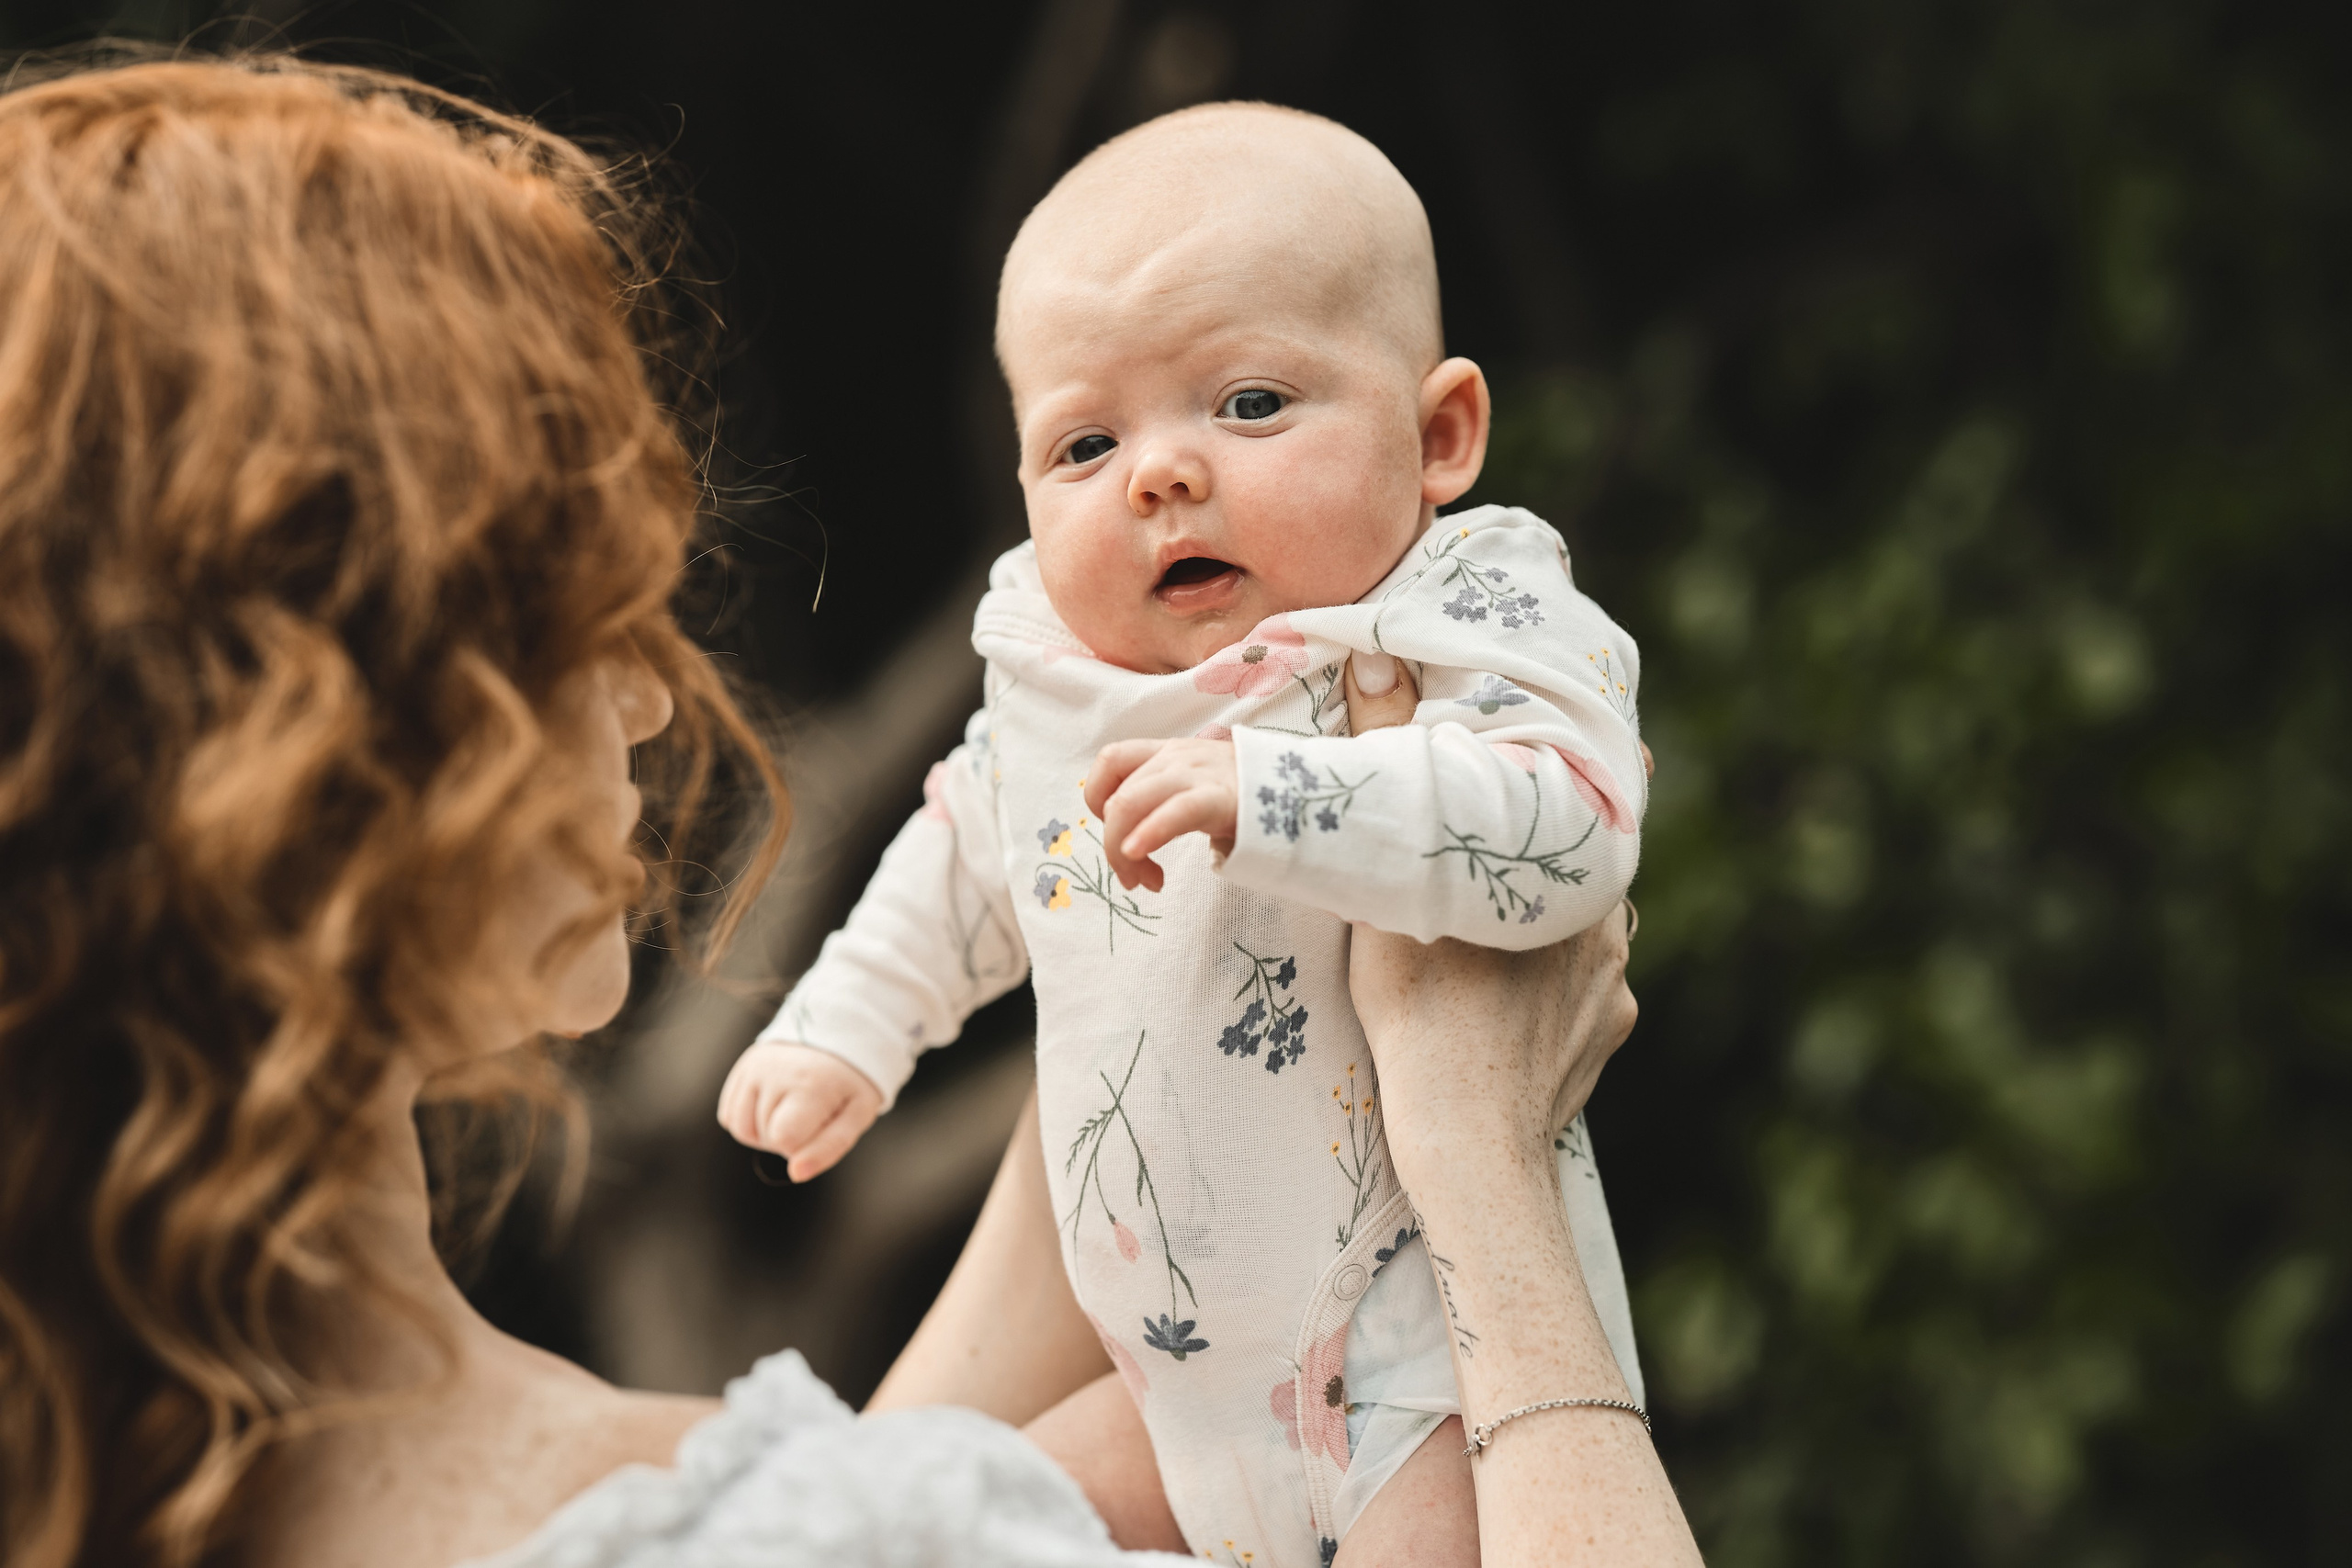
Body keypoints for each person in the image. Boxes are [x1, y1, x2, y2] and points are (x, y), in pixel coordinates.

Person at [0, 54, 1702, 1568]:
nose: (654, 693)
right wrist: (1484, 1175)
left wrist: (1132, 986)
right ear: (321, 749)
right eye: (575, 610)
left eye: (1249, 405)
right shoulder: (850, 1523)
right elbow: (971, 854)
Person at [717, 103, 1649, 1566]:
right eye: (1086, 442)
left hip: (1423, 1383)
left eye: (1251, 405)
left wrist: (1282, 792)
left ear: (1441, 433)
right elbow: (969, 845)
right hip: (1173, 1398)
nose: (1160, 473)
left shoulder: (1451, 611)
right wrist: (847, 1027)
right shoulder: (1062, 681)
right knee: (939, 1531)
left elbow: (1575, 825)